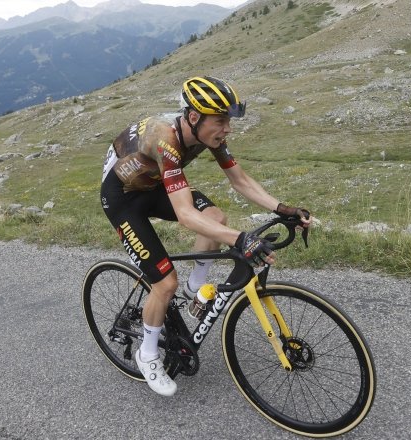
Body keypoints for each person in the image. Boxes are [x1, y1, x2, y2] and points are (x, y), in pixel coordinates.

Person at [100, 76, 310, 396]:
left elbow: (240, 180)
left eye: (228, 121)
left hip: (152, 186)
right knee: (164, 283)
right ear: (195, 117)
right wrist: (240, 239)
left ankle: (196, 286)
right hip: (122, 199)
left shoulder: (206, 135)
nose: (228, 129)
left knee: (215, 217)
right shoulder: (166, 140)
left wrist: (282, 208)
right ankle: (148, 353)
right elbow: (185, 215)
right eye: (221, 121)